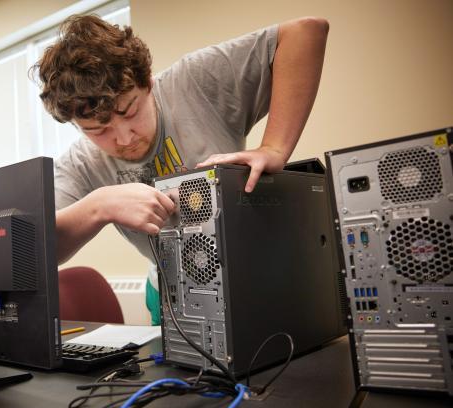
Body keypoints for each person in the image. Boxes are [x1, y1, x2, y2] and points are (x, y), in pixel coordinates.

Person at [33, 14, 329, 324]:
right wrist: (98, 206)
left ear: (147, 81)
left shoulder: (193, 82)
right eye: (99, 130)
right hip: (168, 293)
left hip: (255, 279)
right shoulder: (80, 164)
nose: (124, 138)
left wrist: (274, 148)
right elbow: (39, 251)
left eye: (130, 111)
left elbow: (305, 34)